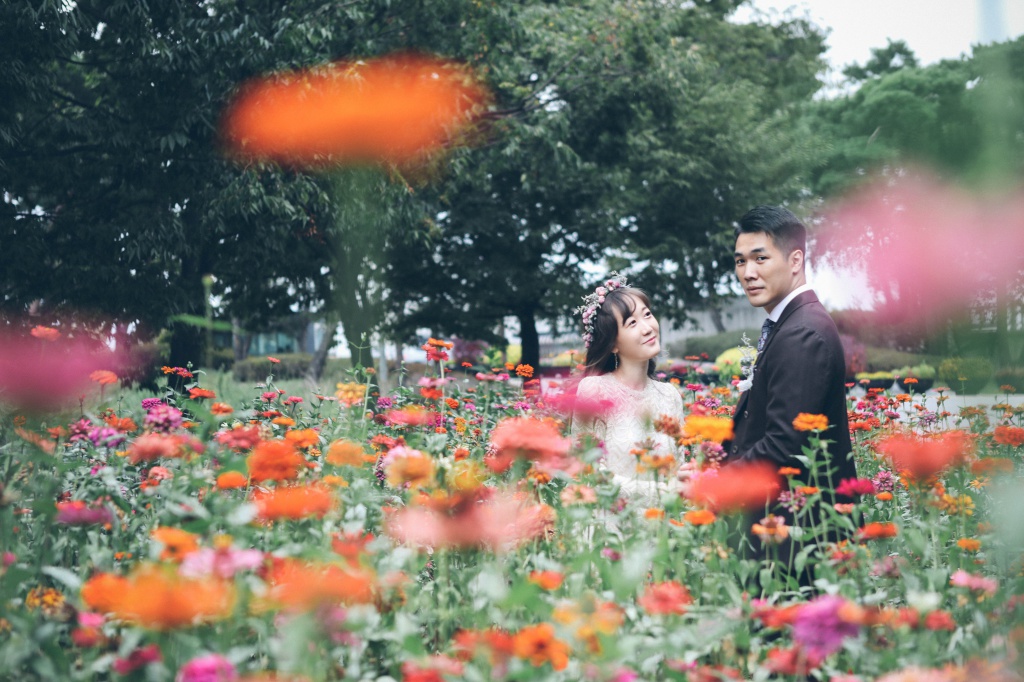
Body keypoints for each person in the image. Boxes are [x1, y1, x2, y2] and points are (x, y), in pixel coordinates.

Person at [724, 205, 857, 580]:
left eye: (760, 258)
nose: (747, 273)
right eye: (739, 261)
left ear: (795, 259)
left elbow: (784, 444)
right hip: (785, 528)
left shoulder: (802, 333)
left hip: (798, 537)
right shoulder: (791, 323)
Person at [571, 274, 684, 504]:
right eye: (632, 323)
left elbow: (679, 469)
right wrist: (662, 491)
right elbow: (587, 471)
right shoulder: (594, 391)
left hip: (664, 531)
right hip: (612, 531)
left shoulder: (670, 395)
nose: (647, 328)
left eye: (647, 315)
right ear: (612, 344)